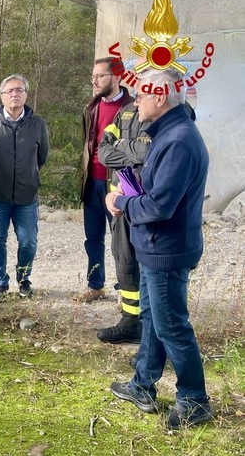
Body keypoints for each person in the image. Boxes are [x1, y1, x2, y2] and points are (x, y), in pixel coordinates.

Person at [107, 68, 213, 429]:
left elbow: (159, 206)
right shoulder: (168, 135)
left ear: (161, 98)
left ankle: (195, 400)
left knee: (171, 326)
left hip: (166, 249)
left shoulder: (178, 141)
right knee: (153, 320)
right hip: (155, 246)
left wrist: (122, 202)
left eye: (141, 95)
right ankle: (143, 385)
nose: (135, 101)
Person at [0, 74, 49, 302]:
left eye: (20, 90)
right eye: (10, 91)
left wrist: (27, 176)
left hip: (27, 196)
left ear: (26, 94)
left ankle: (24, 279)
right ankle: (0, 283)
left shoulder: (37, 124)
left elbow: (42, 157)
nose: (15, 94)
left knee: (28, 241)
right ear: (1, 96)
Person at [75, 57, 133, 303]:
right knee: (93, 237)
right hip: (93, 182)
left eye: (100, 76)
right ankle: (95, 285)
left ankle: (126, 289)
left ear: (116, 77)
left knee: (122, 240)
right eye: (93, 77)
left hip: (118, 184)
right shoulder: (91, 108)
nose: (95, 81)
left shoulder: (133, 107)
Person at [95, 102, 147, 343]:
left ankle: (149, 325)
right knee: (124, 261)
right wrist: (132, 152)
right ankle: (130, 320)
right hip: (120, 203)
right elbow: (104, 151)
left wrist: (123, 148)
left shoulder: (173, 111)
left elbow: (152, 154)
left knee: (149, 264)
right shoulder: (125, 111)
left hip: (148, 204)